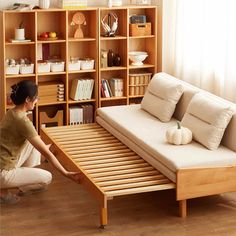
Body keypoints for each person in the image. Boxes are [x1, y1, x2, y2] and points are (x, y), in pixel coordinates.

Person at [0, 80, 80, 204]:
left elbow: (38, 146)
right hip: (3, 172)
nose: (37, 100)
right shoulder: (23, 122)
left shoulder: (11, 113)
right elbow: (47, 154)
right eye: (36, 98)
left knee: (31, 142)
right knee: (47, 178)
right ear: (27, 99)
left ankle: (17, 181)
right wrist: (66, 173)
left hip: (4, 161)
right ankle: (3, 190)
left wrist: (51, 147)